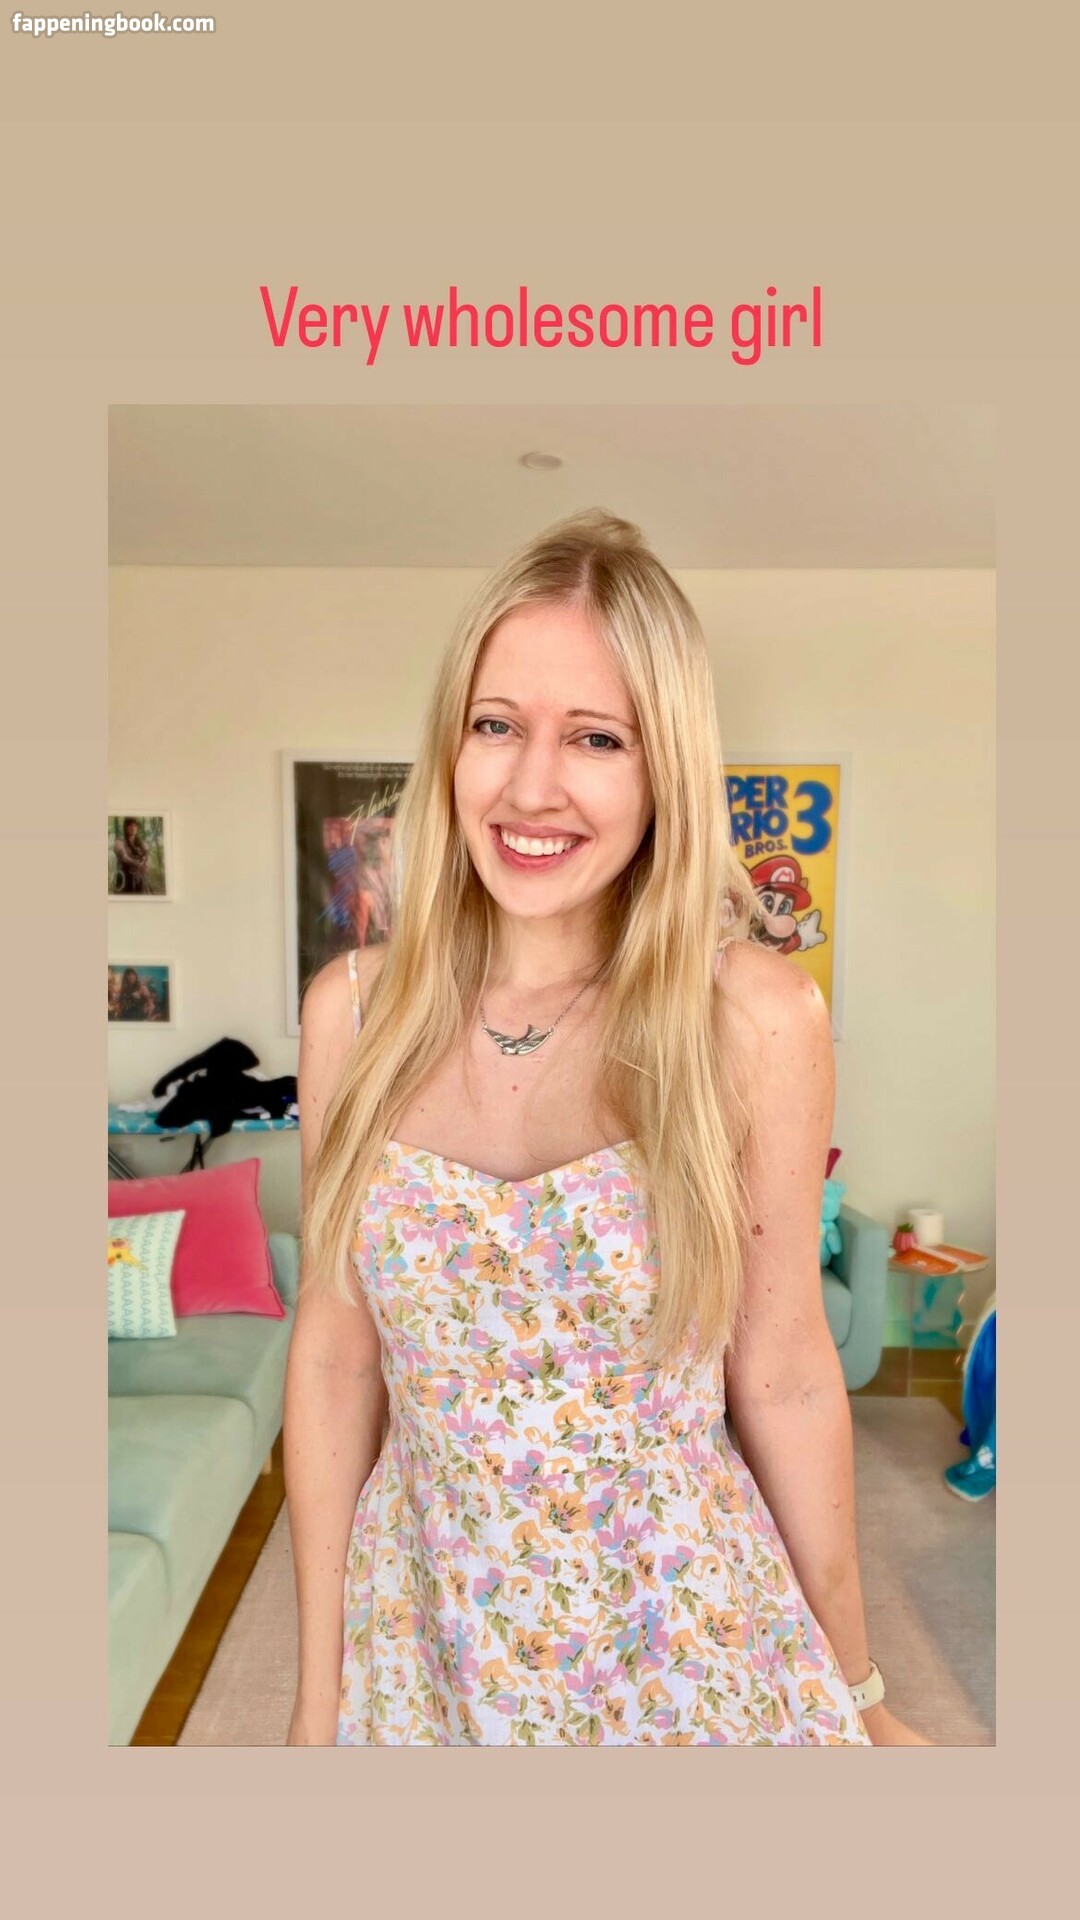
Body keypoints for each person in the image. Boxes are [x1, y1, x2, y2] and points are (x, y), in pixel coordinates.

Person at [284, 508, 931, 1746]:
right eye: (496, 725)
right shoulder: (351, 1015)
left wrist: (861, 1694)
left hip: (683, 1651)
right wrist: (317, 1703)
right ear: (451, 745)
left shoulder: (754, 1017)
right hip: (422, 1641)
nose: (533, 787)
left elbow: (787, 1375)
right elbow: (332, 1359)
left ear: (663, 769)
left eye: (597, 737)